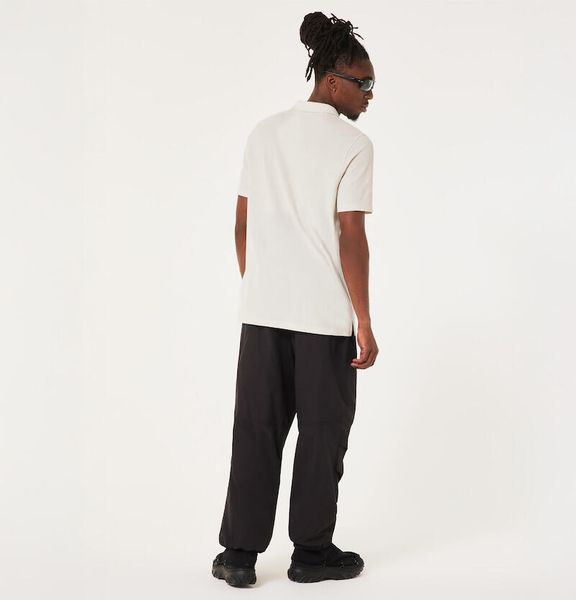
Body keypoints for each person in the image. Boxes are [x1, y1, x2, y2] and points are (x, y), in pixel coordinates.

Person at [212, 11, 379, 587]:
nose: (370, 96)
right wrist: (364, 320)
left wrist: (261, 285)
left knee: (255, 430)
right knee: (322, 434)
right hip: (324, 319)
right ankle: (311, 554)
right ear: (333, 81)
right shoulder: (354, 145)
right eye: (364, 83)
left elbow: (242, 225)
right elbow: (352, 236)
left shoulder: (264, 133)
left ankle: (239, 557)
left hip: (263, 315)